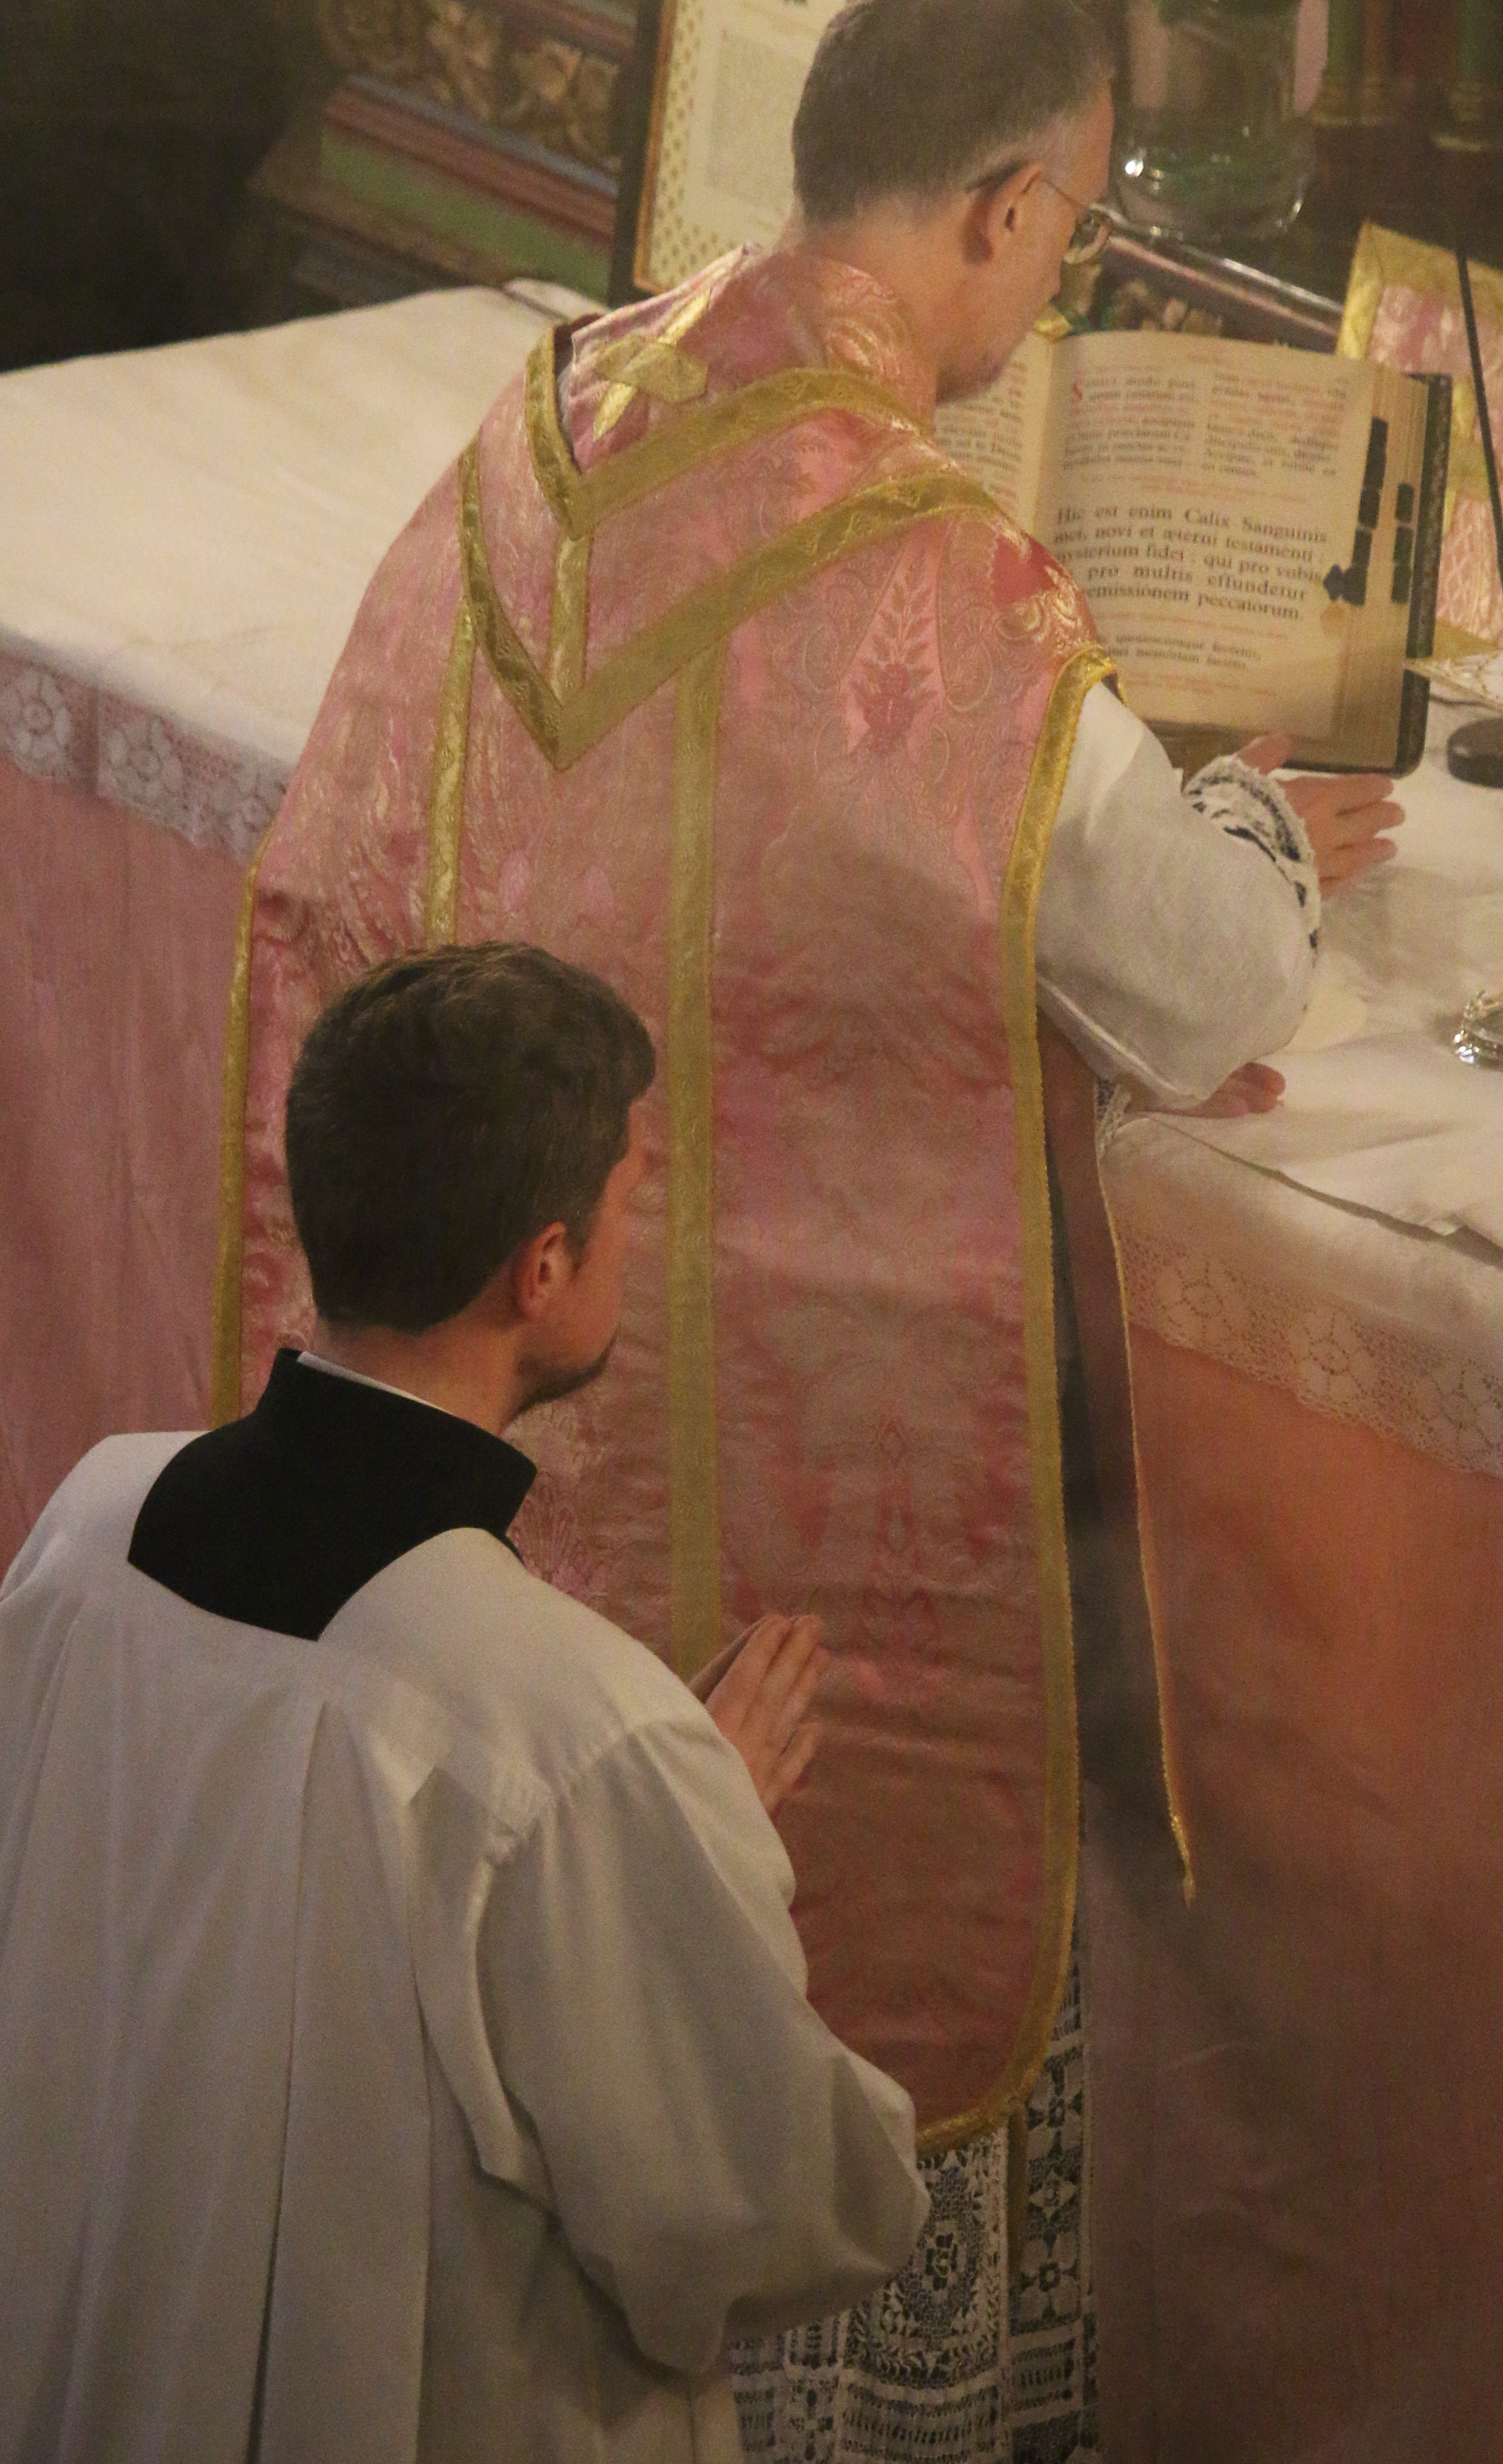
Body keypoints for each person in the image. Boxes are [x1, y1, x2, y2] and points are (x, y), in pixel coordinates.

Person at [216, 0, 1400, 2460]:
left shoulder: (552, 414)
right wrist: (1255, 823)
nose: (1054, 278)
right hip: (783, 1582)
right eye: (1070, 230)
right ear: (1001, 207)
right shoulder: (927, 582)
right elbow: (1202, 980)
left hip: (477, 1477)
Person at [0, 945, 927, 2464]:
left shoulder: (88, 1526)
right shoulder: (573, 1734)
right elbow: (774, 2218)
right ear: (540, 1266)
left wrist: (655, 1823)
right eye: (631, 1201)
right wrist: (687, 1838)